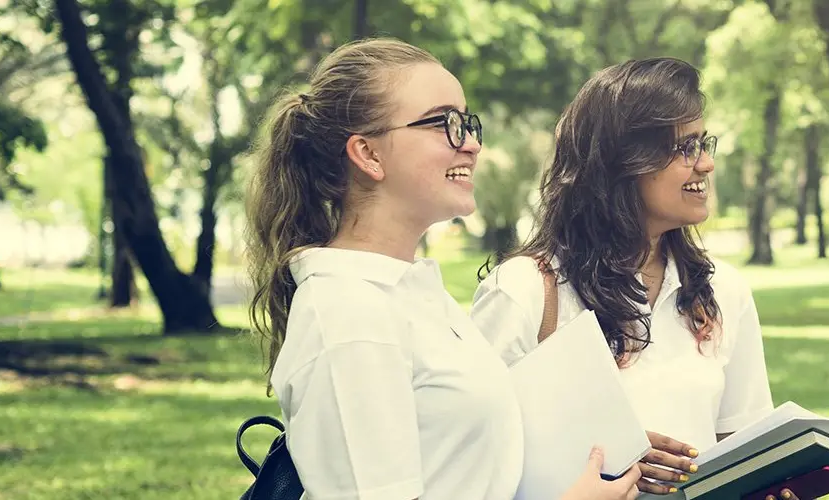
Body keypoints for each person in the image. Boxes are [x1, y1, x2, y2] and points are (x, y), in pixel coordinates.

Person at [245, 38, 642, 500]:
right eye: (444, 124)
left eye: (468, 122)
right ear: (368, 154)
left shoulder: (411, 291)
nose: (472, 143)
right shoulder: (350, 314)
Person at [470, 58, 775, 496]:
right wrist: (612, 460)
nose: (706, 164)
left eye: (704, 144)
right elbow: (474, 471)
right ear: (623, 160)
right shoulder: (524, 292)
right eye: (686, 147)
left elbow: (742, 446)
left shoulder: (723, 291)